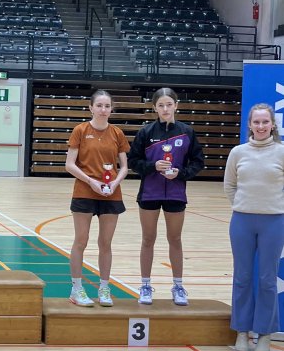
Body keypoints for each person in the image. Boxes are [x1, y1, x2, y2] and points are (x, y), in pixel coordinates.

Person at [128, 87, 204, 306]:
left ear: (176, 106)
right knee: (148, 239)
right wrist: (153, 166)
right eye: (161, 105)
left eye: (169, 104)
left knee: (175, 239)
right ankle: (145, 285)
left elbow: (198, 161)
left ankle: (178, 286)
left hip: (176, 193)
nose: (165, 109)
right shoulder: (145, 132)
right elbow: (133, 162)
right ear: (155, 108)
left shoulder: (187, 132)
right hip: (149, 193)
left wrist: (181, 173)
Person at [224, 103, 284, 351]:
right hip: (242, 222)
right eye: (256, 122)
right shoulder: (238, 152)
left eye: (265, 122)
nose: (260, 126)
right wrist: (243, 205)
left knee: (267, 279)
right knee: (243, 277)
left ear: (272, 124)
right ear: (249, 125)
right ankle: (242, 331)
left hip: (274, 222)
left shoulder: (281, 152)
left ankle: (265, 334)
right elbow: (230, 185)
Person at [65, 90, 130, 307]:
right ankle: (76, 289)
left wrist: (115, 183)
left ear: (112, 109)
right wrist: (91, 181)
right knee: (81, 240)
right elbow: (69, 164)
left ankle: (104, 288)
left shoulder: (117, 133)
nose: (103, 110)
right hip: (85, 191)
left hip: (111, 193)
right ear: (91, 108)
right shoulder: (80, 130)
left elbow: (124, 167)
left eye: (107, 106)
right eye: (99, 106)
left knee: (105, 243)